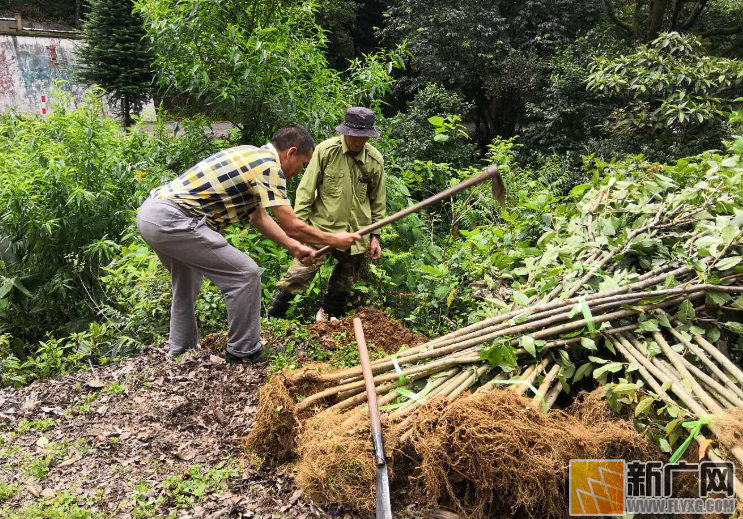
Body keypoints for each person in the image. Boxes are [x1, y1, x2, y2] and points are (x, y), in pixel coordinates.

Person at [136, 126, 361, 363]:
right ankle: (243, 351)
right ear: (291, 153)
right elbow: (292, 224)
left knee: (187, 281)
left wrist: (295, 248)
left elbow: (259, 218)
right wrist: (334, 239)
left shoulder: (251, 155)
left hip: (152, 214)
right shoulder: (269, 167)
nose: (300, 171)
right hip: (175, 218)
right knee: (245, 274)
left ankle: (181, 351)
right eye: (303, 163)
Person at [267, 107, 385, 322]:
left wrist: (375, 236)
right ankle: (272, 321)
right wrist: (298, 230)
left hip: (356, 233)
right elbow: (306, 191)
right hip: (320, 229)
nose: (358, 141)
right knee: (296, 277)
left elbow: (378, 200)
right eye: (354, 136)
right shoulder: (325, 151)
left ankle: (330, 322)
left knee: (343, 285)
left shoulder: (375, 160)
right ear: (345, 131)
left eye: (363, 137)